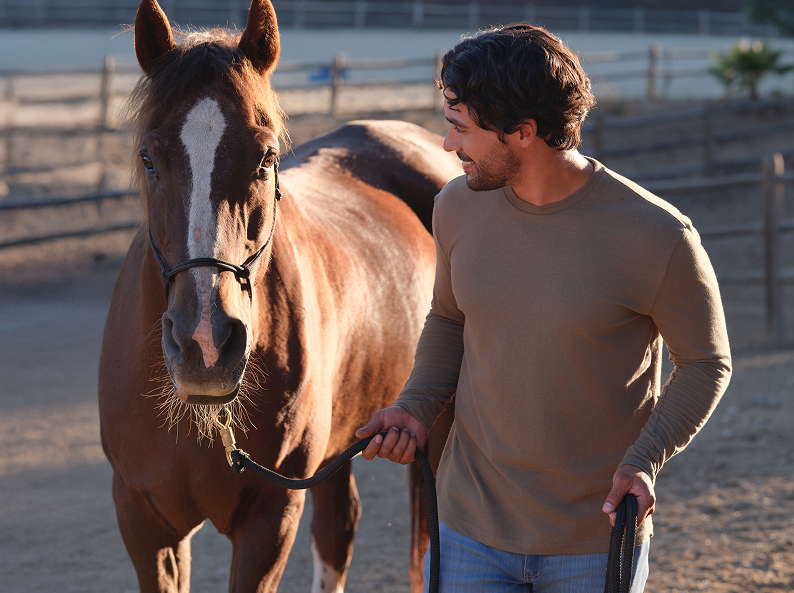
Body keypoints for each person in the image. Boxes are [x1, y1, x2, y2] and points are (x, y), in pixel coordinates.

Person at [356, 23, 732, 593]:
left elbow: (706, 362)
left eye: (461, 127)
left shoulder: (658, 236)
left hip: (594, 538)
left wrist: (645, 459)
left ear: (523, 132)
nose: (448, 145)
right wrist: (415, 406)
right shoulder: (456, 206)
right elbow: (450, 319)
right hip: (466, 531)